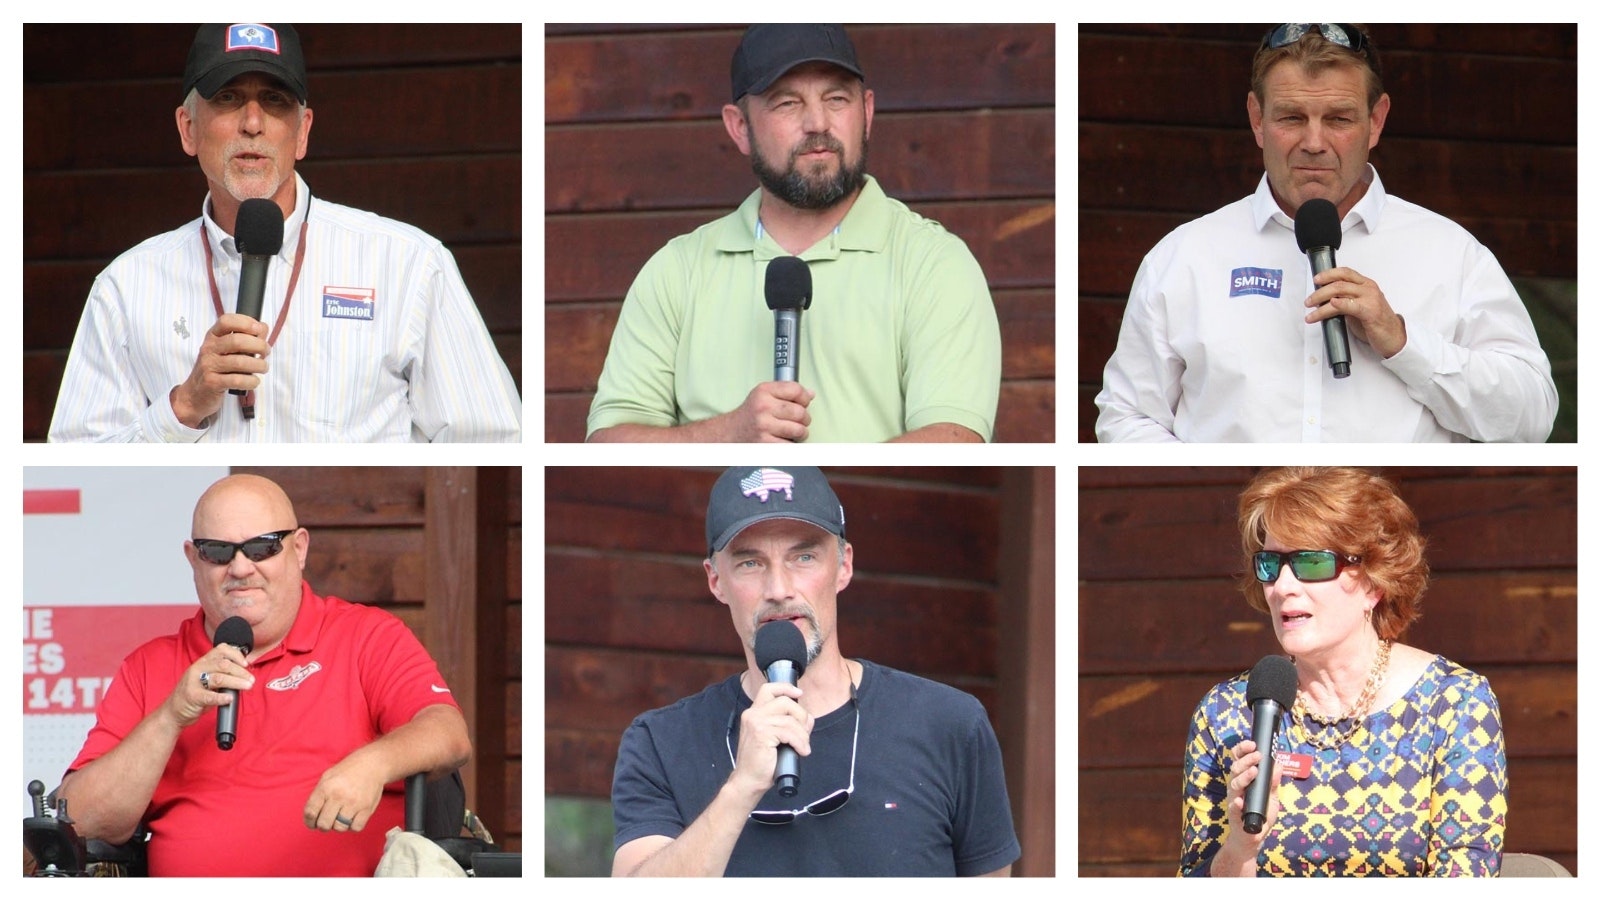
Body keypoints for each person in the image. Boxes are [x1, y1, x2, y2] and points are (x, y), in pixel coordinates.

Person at [48, 23, 521, 442]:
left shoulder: (410, 263)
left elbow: (494, 441)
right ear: (187, 129)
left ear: (302, 132)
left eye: (274, 101)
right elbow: (74, 461)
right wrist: (182, 409)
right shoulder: (126, 285)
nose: (252, 124)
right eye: (228, 98)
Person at [1096, 24, 1556, 442]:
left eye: (1338, 119)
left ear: (1376, 121)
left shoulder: (1453, 254)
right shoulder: (1184, 256)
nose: (1314, 143)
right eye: (1291, 118)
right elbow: (1127, 418)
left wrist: (1401, 341)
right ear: (1257, 119)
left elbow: (1533, 415)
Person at [585, 24, 1001, 444]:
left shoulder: (934, 263)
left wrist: (810, 494)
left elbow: (954, 441)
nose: (818, 122)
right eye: (787, 103)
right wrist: (728, 434)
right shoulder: (676, 270)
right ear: (740, 127)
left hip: (861, 512)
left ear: (867, 112)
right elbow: (606, 446)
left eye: (837, 98)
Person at [54, 474, 472, 876]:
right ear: (192, 558)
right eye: (218, 551)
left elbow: (447, 734)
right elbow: (81, 822)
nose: (240, 568)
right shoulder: (149, 666)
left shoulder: (366, 636)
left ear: (300, 548)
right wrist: (171, 716)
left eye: (262, 548)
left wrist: (371, 764)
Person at [610, 466, 1020, 875]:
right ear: (716, 580)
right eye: (751, 563)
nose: (779, 589)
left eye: (803, 557)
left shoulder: (950, 723)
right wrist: (740, 789)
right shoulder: (660, 742)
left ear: (843, 566)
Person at [1180, 467, 1507, 876]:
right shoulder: (1226, 714)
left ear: (1374, 582)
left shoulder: (1455, 704)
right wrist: (1241, 847)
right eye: (1270, 564)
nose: (1282, 586)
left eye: (1311, 563)